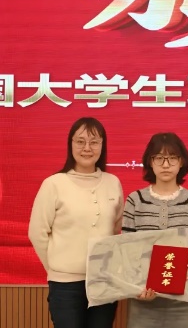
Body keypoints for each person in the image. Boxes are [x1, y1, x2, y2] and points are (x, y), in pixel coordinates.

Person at [28, 117, 124, 328]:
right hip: (65, 286)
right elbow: (37, 232)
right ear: (70, 144)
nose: (87, 148)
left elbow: (116, 228)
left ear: (102, 146)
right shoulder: (54, 184)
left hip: (104, 282)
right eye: (80, 141)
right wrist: (57, 267)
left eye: (94, 142)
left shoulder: (113, 183)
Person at [122, 132, 188, 328]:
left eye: (172, 158)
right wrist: (137, 286)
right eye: (159, 158)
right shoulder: (135, 200)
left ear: (182, 161)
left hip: (184, 298)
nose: (166, 164)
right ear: (150, 162)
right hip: (143, 296)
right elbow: (126, 247)